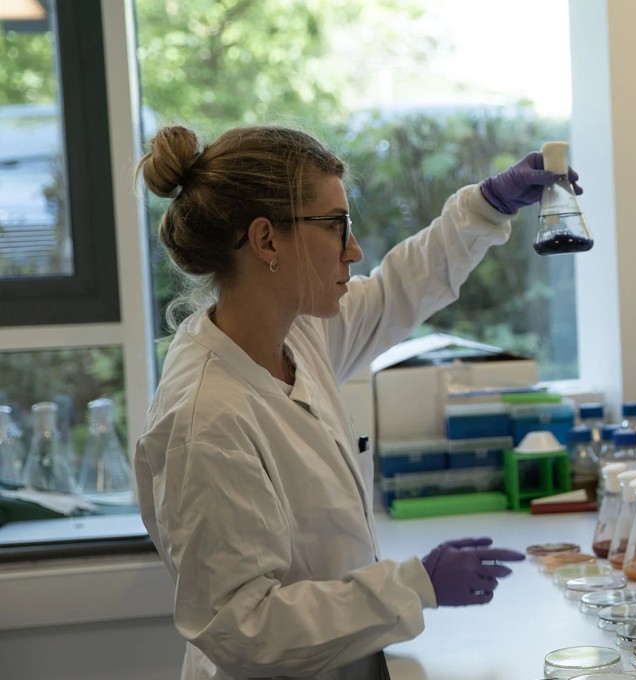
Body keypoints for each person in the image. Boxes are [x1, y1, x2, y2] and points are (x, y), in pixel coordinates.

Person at [133, 124, 582, 680]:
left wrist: (488, 206)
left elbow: (396, 291)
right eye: (336, 225)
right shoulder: (206, 419)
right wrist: (414, 585)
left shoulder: (293, 333)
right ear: (266, 241)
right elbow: (243, 628)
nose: (354, 249)